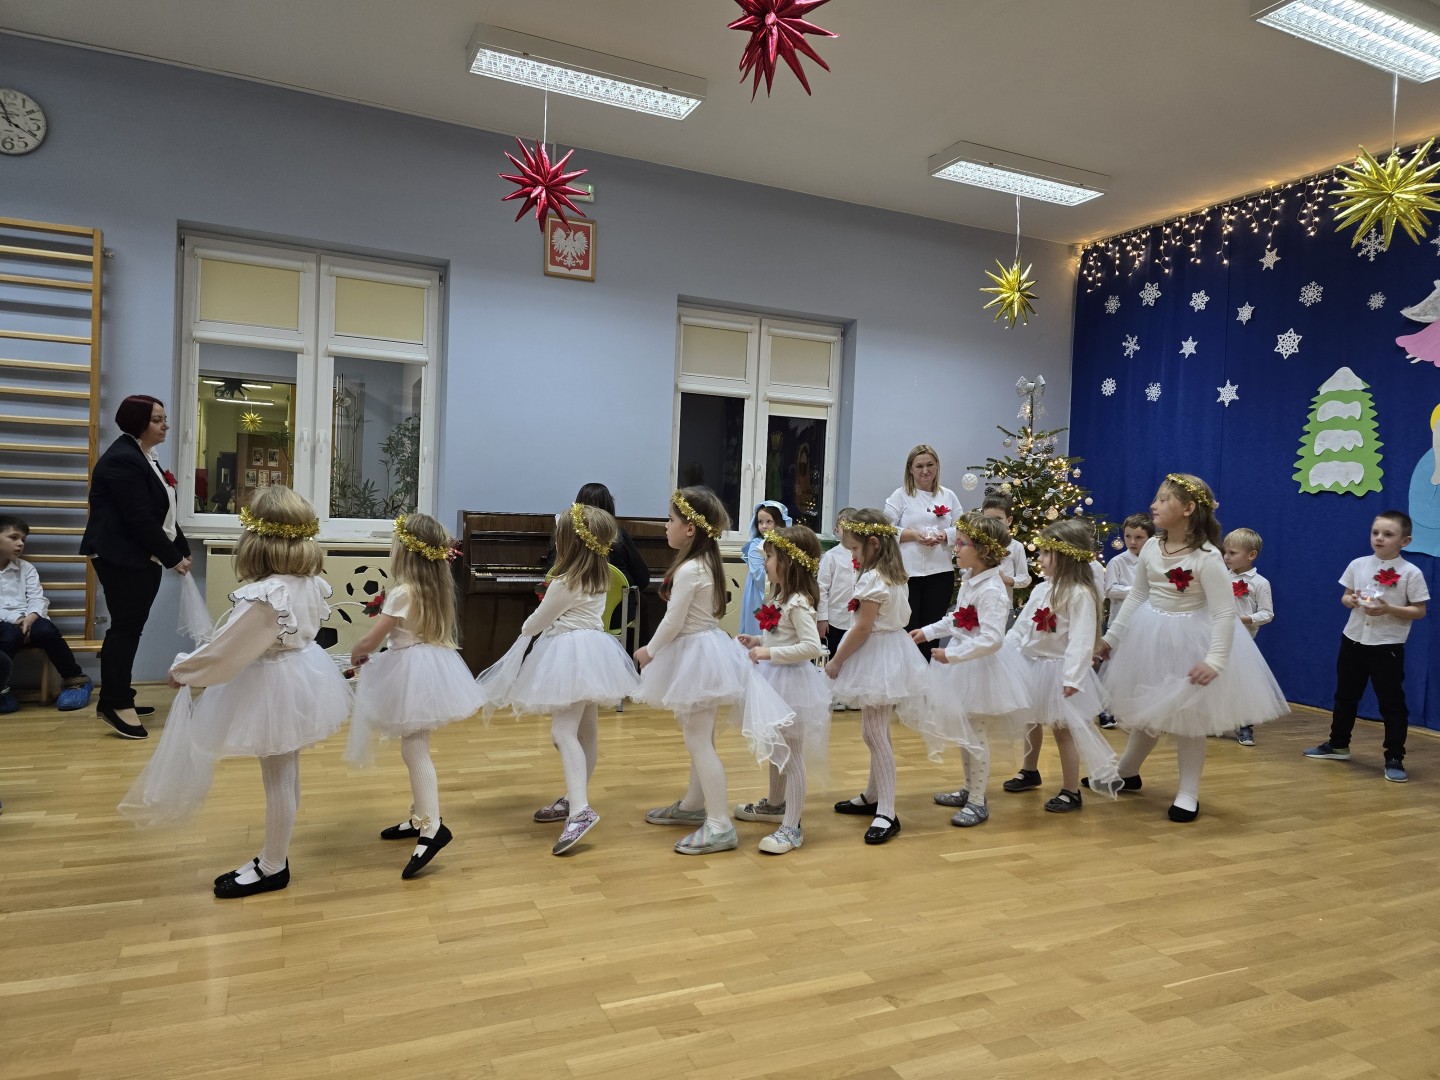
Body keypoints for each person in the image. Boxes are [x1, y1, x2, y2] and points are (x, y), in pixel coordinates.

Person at [118, 486, 352, 898]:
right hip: (300, 678)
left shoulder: (268, 594)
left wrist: (183, 671)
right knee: (286, 772)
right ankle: (273, 857)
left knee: (278, 779)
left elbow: (228, 648)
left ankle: (273, 866)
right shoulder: (308, 582)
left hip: (274, 687)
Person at [1094, 473, 1288, 822]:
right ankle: (1126, 771)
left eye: (1163, 499)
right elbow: (1138, 595)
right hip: (1151, 636)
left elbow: (1224, 612)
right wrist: (1112, 638)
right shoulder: (1152, 546)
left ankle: (1188, 792)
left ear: (1188, 509)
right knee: (1150, 708)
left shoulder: (1208, 556)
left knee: (1189, 720)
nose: (1154, 505)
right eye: (1156, 498)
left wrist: (1215, 660)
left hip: (1191, 641)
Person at [632, 488, 793, 856]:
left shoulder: (691, 568)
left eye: (670, 520)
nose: (665, 526)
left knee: (698, 740)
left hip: (696, 653)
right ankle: (693, 804)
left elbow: (673, 620)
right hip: (701, 650)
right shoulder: (705, 562)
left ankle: (719, 824)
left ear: (690, 528)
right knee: (699, 735)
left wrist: (650, 650)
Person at [478, 504, 640, 855]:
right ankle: (573, 797)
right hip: (595, 651)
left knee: (562, 733)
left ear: (569, 542)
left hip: (569, 654)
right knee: (587, 732)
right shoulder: (599, 576)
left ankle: (580, 810)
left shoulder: (565, 582)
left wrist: (531, 622)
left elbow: (535, 622)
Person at [345, 514, 483, 877]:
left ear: (405, 552)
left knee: (414, 749)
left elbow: (371, 640)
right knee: (414, 744)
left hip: (411, 671)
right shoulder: (434, 588)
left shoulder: (403, 592)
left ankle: (432, 827)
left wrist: (357, 653)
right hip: (429, 665)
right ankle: (421, 814)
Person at [80, 395, 192, 739]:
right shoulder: (123, 459)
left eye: (164, 418)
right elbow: (138, 519)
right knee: (125, 630)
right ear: (137, 423)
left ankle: (120, 694)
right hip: (121, 557)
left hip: (139, 556)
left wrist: (181, 549)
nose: (165, 425)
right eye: (157, 420)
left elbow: (163, 513)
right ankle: (114, 703)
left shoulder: (144, 456)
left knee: (129, 629)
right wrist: (173, 558)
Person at [913, 513, 1023, 827]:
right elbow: (957, 618)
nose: (955, 548)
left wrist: (953, 655)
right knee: (965, 733)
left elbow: (992, 639)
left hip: (978, 668)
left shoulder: (992, 591)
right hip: (962, 664)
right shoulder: (971, 579)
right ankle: (968, 789)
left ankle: (977, 800)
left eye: (962, 543)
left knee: (975, 735)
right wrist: (928, 632)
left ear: (984, 551)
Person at [826, 509, 928, 845]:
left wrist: (837, 661)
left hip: (879, 654)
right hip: (890, 651)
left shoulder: (874, 579)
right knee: (877, 730)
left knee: (873, 734)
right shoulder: (893, 573)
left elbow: (862, 628)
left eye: (855, 549)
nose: (852, 556)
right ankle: (873, 795)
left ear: (873, 544)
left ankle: (887, 811)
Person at [1005, 520, 1120, 814]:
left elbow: (1081, 641)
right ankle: (1030, 770)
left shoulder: (1080, 594)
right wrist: (1006, 652)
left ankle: (1071, 790)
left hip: (1060, 670)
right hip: (1032, 665)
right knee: (1031, 720)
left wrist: (1073, 677)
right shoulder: (1042, 589)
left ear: (1066, 556)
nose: (1040, 558)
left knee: (1063, 730)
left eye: (1046, 553)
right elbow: (1021, 627)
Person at [1304, 510, 1428, 783]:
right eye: (1375, 533)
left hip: (1386, 645)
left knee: (1391, 703)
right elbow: (1346, 596)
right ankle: (1338, 744)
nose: (1379, 538)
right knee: (1345, 695)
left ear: (1405, 541)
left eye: (1388, 534)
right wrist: (1351, 601)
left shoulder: (1411, 572)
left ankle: (1394, 757)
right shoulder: (1358, 564)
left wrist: (1388, 609)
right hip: (1353, 639)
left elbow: (1419, 610)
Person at [734, 525, 828, 855]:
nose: (765, 562)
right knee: (777, 747)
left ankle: (792, 826)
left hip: (792, 684)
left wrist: (769, 653)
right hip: (773, 679)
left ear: (789, 562)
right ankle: (775, 805)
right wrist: (758, 640)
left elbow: (811, 646)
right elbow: (780, 636)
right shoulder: (779, 596)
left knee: (792, 755)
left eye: (770, 557)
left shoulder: (798, 602)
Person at [0, 515, 93, 713]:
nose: (20, 543)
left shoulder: (26, 568)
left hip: (30, 618)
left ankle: (75, 680)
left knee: (47, 631)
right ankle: (1, 689)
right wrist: (16, 620)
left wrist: (31, 617)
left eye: (23, 539)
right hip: (5, 623)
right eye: (14, 537)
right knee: (9, 635)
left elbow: (38, 598)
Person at [884, 445, 960, 660]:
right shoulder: (900, 496)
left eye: (930, 465)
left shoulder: (948, 495)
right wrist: (912, 535)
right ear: (910, 469)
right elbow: (884, 529)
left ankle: (929, 672)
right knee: (908, 628)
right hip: (908, 574)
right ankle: (908, 672)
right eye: (919, 466)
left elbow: (963, 528)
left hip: (940, 573)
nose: (925, 470)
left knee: (932, 629)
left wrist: (945, 535)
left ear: (937, 466)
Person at [543, 483, 651, 633]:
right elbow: (643, 579)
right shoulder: (619, 535)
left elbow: (551, 574)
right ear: (609, 507)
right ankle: (632, 648)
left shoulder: (565, 535)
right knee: (641, 600)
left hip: (571, 617)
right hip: (616, 617)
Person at [1097, 513, 1155, 730]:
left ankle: (1139, 710)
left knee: (1141, 666)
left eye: (1139, 537)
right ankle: (1103, 709)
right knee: (1112, 666)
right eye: (1128, 536)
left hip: (1147, 622)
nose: (1132, 542)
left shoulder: (1154, 562)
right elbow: (1110, 589)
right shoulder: (1118, 562)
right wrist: (1137, 590)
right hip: (1121, 622)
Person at [1223, 527, 1274, 747]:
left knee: (1241, 684)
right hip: (1216, 636)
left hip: (1242, 641)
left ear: (1251, 555)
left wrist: (1244, 619)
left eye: (1232, 553)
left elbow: (1267, 614)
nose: (1226, 557)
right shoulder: (1220, 576)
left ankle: (1244, 725)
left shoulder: (1260, 583)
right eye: (1225, 552)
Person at [816, 507, 858, 708]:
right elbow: (821, 588)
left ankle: (851, 695)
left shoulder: (865, 556)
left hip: (857, 619)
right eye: (844, 528)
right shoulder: (831, 557)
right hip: (836, 617)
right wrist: (822, 617)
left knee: (854, 657)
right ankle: (833, 696)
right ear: (837, 530)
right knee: (835, 655)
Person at [739, 501, 791, 636]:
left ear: (778, 523)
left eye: (769, 522)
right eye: (760, 522)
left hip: (780, 590)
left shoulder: (786, 545)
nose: (764, 526)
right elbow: (759, 574)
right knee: (759, 627)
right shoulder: (755, 545)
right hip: (759, 591)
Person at [978, 495, 1032, 597]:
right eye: (988, 518)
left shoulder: (1016, 546)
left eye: (998, 518)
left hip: (1003, 601)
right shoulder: (977, 544)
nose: (993, 523)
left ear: (1009, 520)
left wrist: (1006, 579)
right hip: (977, 600)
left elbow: (1025, 578)